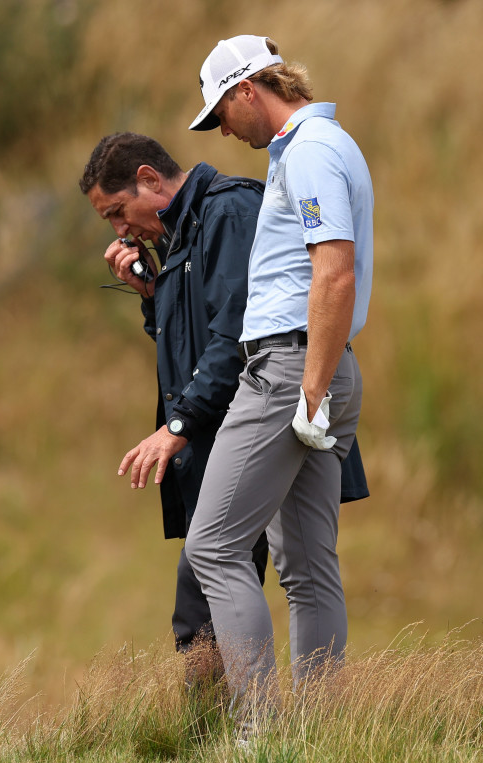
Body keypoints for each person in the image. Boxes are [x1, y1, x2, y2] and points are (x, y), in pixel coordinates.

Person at [78, 133, 368, 686]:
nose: (119, 230)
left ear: (148, 179)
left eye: (117, 212)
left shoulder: (230, 211)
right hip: (267, 403)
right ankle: (308, 732)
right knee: (293, 570)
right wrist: (151, 292)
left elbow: (236, 335)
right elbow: (193, 339)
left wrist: (178, 426)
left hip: (269, 402)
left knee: (213, 562)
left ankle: (250, 733)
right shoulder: (188, 228)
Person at [183, 35, 374, 722]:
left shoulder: (314, 151)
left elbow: (336, 269)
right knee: (306, 565)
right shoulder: (312, 148)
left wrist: (310, 390)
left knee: (214, 545)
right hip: (318, 363)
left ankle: (259, 732)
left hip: (294, 368)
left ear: (245, 91)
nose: (223, 131)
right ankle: (317, 738)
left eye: (220, 115)